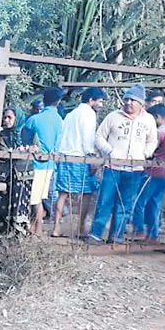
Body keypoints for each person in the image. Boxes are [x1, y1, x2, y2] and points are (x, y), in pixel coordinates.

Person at [88, 84, 158, 244]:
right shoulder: (113, 116)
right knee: (105, 201)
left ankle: (116, 236)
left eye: (133, 100)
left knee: (125, 204)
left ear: (141, 104)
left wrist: (145, 154)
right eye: (127, 99)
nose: (128, 103)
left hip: (135, 169)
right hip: (113, 167)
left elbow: (152, 141)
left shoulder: (148, 120)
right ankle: (95, 235)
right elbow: (99, 136)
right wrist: (109, 151)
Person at [52, 87, 105, 237]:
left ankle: (56, 228)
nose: (101, 105)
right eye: (100, 101)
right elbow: (88, 138)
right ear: (91, 100)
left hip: (64, 156)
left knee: (62, 193)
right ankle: (80, 228)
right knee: (87, 193)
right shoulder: (89, 114)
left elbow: (61, 136)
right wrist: (92, 159)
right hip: (80, 157)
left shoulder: (71, 114)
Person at [22, 87, 64, 235]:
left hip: (35, 164)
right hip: (50, 164)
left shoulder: (35, 119)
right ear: (58, 102)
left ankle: (37, 228)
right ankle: (35, 227)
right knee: (40, 196)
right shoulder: (59, 120)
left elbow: (24, 139)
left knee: (34, 198)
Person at [131, 103, 165, 242]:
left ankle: (139, 230)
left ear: (158, 117)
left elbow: (148, 151)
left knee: (139, 202)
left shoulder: (160, 133)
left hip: (153, 173)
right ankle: (152, 234)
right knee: (154, 203)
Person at [0, 107, 33, 234]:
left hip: (22, 175)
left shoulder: (29, 133)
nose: (6, 120)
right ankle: (1, 234)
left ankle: (19, 234)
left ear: (18, 118)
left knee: (20, 203)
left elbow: (37, 149)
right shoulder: (1, 135)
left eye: (9, 117)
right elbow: (2, 150)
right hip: (5, 174)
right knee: (2, 203)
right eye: (4, 117)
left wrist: (31, 149)